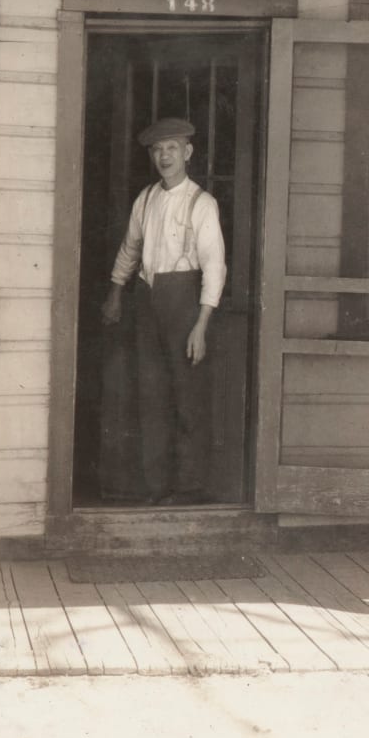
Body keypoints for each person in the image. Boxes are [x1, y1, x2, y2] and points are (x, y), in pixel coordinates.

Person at [101, 117, 226, 505]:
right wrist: (115, 293)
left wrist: (201, 325)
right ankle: (155, 486)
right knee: (150, 394)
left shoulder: (201, 203)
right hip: (147, 299)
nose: (164, 156)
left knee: (187, 396)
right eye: (157, 150)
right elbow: (130, 249)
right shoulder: (147, 198)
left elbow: (215, 266)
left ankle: (189, 487)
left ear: (187, 153)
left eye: (172, 148)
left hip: (184, 302)